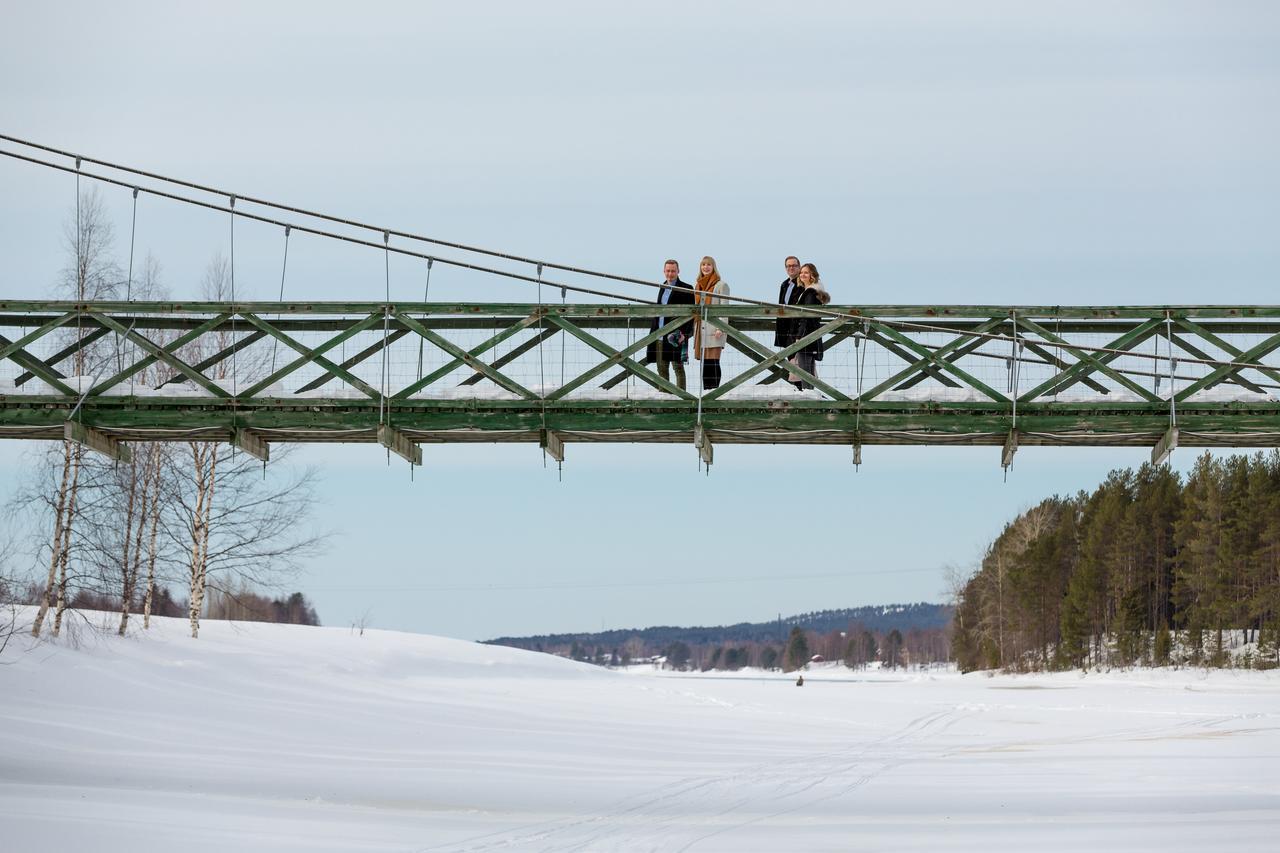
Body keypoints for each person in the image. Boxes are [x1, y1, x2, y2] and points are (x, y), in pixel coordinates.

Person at [645, 259, 694, 391]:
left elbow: (691, 315)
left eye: (673, 271)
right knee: (661, 368)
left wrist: (685, 334)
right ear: (664, 271)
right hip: (660, 334)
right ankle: (664, 398)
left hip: (675, 335)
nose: (670, 274)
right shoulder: (663, 287)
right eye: (668, 271)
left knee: (678, 367)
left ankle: (683, 399)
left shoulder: (687, 288)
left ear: (678, 271)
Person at [789, 262, 830, 390]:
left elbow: (806, 317)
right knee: (808, 370)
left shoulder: (811, 293)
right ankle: (809, 394)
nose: (802, 275)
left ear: (813, 275)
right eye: (801, 273)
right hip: (812, 334)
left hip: (807, 335)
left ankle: (808, 396)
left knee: (805, 371)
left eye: (806, 272)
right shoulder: (809, 291)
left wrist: (799, 336)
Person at [693, 255, 730, 390]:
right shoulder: (698, 285)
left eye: (709, 265)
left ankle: (714, 391)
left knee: (713, 361)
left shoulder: (721, 285)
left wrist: (721, 328)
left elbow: (724, 309)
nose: (706, 267)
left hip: (715, 330)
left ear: (713, 267)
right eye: (703, 265)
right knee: (705, 363)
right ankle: (706, 391)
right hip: (700, 329)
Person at [775, 256, 803, 350]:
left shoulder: (803, 283)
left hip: (798, 327)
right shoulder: (784, 284)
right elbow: (781, 304)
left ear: (799, 267)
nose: (791, 268)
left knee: (799, 360)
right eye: (788, 266)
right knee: (790, 359)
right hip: (785, 327)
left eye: (794, 265)